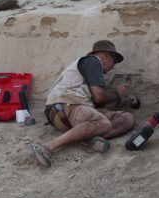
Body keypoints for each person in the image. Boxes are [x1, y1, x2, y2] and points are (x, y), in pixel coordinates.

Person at [29, 40, 138, 168]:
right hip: (65, 106)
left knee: (127, 118)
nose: (113, 67)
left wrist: (124, 100)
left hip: (70, 112)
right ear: (105, 56)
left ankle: (88, 137)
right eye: (113, 62)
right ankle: (47, 147)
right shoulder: (93, 61)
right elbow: (99, 97)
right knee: (103, 123)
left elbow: (98, 104)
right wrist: (118, 93)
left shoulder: (87, 72)